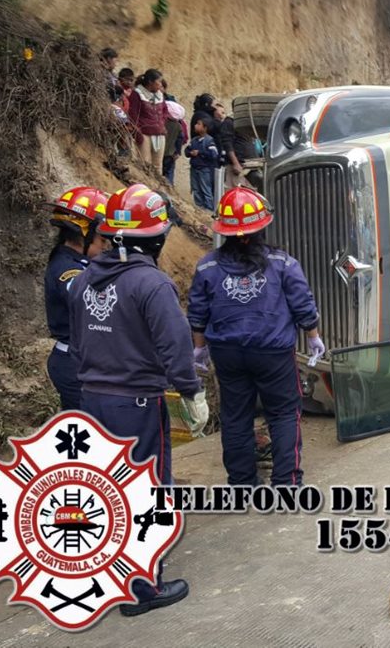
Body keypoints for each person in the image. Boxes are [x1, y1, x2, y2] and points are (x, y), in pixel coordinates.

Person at [68, 182, 208, 616]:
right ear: (158, 238)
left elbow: (77, 343)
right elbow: (176, 348)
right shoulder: (151, 285)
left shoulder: (82, 281)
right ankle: (142, 589)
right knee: (147, 493)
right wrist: (191, 392)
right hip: (137, 406)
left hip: (92, 400)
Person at [187, 187, 324, 486]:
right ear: (262, 226)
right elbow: (302, 304)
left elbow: (197, 313)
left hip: (227, 353)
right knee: (285, 413)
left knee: (236, 416)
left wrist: (199, 349)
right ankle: (286, 482)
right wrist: (313, 335)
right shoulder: (283, 263)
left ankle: (241, 483)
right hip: (272, 352)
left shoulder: (208, 266)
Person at [43, 186, 108, 411]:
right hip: (74, 363)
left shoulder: (80, 263)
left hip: (81, 359)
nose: (105, 245)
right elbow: (91, 301)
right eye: (102, 238)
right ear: (85, 234)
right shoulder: (68, 269)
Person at [127, 69, 168, 173]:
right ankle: (144, 188)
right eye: (158, 81)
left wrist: (162, 124)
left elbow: (164, 111)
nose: (160, 84)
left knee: (158, 166)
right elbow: (133, 115)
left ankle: (156, 188)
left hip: (159, 133)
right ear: (150, 82)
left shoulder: (159, 95)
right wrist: (137, 132)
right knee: (144, 164)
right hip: (144, 133)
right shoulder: (137, 94)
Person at [186, 117, 220, 211]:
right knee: (196, 189)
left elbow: (214, 154)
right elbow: (186, 151)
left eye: (198, 124)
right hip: (194, 168)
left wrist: (200, 152)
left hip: (205, 169)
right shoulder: (194, 140)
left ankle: (209, 210)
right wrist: (190, 153)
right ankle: (199, 209)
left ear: (205, 128)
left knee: (206, 190)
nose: (195, 126)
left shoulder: (209, 141)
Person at [211, 101, 244, 191]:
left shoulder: (242, 122)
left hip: (246, 165)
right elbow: (227, 143)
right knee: (234, 192)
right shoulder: (229, 123)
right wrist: (235, 163)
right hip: (234, 165)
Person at [163, 100, 188, 186]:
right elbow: (180, 139)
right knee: (169, 174)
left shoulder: (163, 122)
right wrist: (178, 152)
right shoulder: (179, 126)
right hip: (171, 154)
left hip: (161, 152)